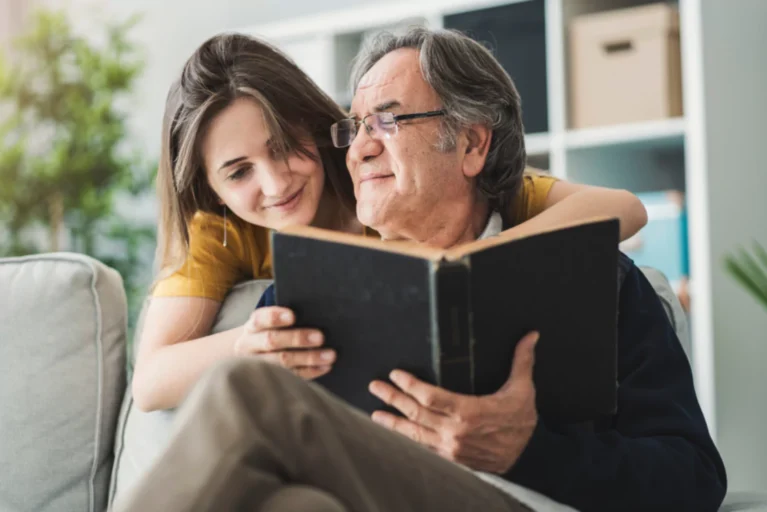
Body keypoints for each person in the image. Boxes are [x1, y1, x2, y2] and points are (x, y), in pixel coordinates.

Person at [114, 28, 727, 512]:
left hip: (515, 499)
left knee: (242, 388)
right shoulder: (305, 292)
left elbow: (694, 480)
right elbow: (159, 380)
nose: (357, 147)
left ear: (471, 145)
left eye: (386, 119)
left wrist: (530, 450)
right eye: (353, 128)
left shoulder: (602, 280)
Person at [131, 32, 649, 413]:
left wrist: (476, 264)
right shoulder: (224, 231)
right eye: (239, 172)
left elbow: (625, 207)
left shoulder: (392, 176)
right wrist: (247, 346)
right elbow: (151, 381)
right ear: (211, 191)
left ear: (314, 127)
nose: (275, 183)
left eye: (285, 147)